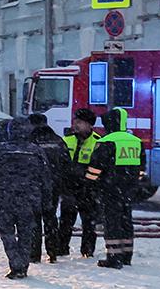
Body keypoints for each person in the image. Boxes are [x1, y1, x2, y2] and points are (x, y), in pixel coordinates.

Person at [0, 117, 52, 279]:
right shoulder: (37, 151)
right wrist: (46, 200)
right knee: (26, 233)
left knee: (6, 232)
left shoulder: (0, 150)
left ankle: (15, 262)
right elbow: (46, 179)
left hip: (6, 198)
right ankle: (23, 265)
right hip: (30, 199)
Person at [86, 107, 142, 269]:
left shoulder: (106, 141)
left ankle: (113, 257)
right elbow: (141, 168)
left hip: (109, 189)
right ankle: (126, 255)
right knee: (126, 221)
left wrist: (90, 184)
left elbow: (95, 168)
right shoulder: (136, 141)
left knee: (112, 223)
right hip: (128, 190)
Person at [58, 108, 99, 258]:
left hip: (88, 189)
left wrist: (91, 185)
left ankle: (87, 251)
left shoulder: (97, 142)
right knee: (66, 221)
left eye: (80, 122)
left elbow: (99, 168)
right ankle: (61, 248)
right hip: (69, 187)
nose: (76, 125)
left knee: (88, 223)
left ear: (89, 125)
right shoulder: (66, 140)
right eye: (75, 121)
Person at [28, 112, 69, 263]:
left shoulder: (30, 140)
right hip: (54, 185)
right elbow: (66, 163)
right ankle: (52, 251)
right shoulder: (58, 140)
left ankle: (34, 253)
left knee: (35, 219)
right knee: (50, 217)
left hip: (35, 185)